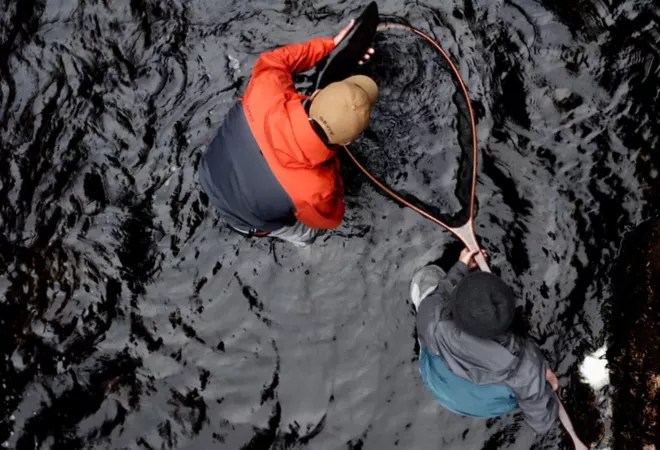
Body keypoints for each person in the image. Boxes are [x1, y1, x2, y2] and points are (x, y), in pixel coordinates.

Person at [198, 20, 378, 246]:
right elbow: (331, 219)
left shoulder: (267, 89)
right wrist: (334, 174)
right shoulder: (318, 190)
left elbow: (277, 60)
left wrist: (328, 46)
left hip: (207, 171)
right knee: (307, 235)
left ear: (315, 95)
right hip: (243, 221)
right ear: (349, 141)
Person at [410, 248, 560, 433]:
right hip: (479, 406)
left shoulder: (432, 316)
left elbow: (441, 293)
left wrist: (461, 267)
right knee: (525, 393)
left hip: (436, 384)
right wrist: (544, 384)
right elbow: (541, 422)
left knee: (432, 296)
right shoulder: (528, 366)